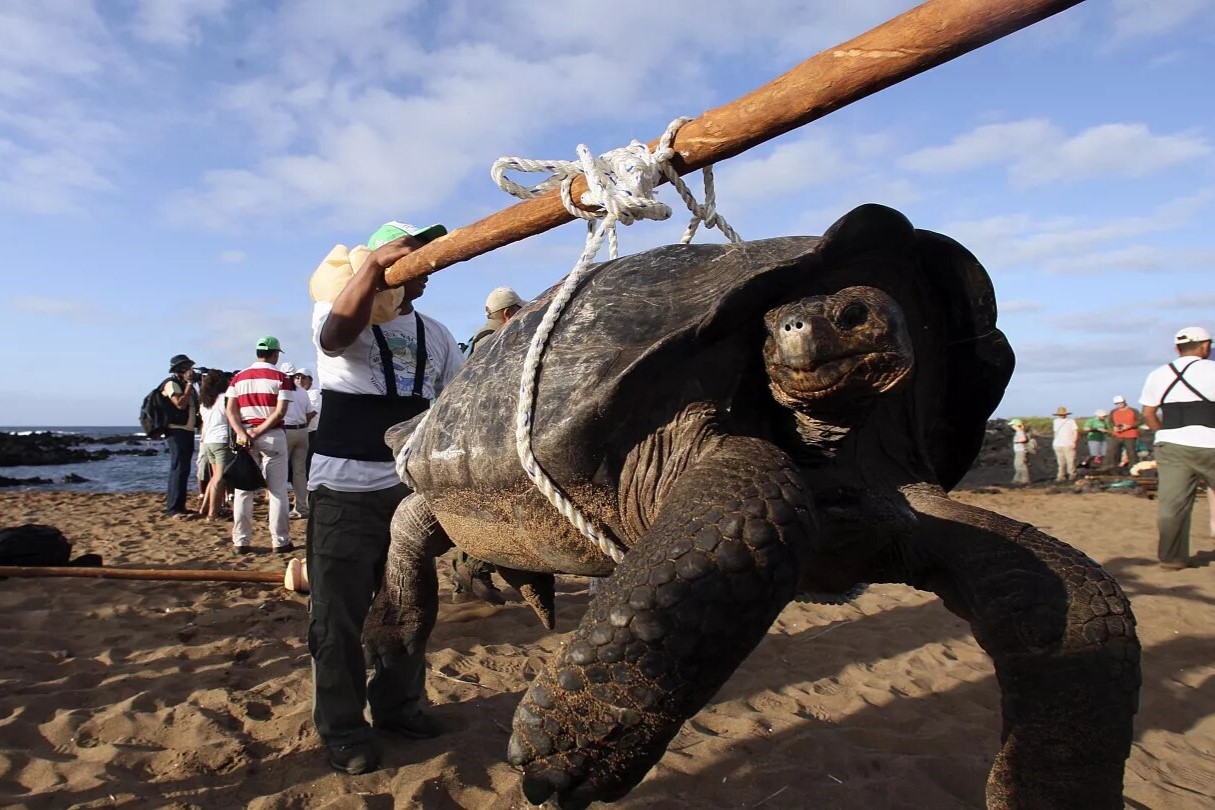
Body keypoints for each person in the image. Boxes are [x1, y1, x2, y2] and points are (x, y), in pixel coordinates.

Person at [307, 221, 464, 776]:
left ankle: (399, 707)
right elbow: (332, 339)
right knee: (338, 618)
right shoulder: (339, 310)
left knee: (405, 609)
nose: (421, 271)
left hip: (407, 493)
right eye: (410, 259)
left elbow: (452, 405)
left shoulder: (439, 335)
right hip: (343, 491)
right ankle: (344, 728)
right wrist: (373, 268)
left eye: (426, 262)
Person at [1138, 326, 1215, 569]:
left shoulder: (1159, 374)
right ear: (1205, 346)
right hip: (1212, 441)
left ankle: (1172, 558)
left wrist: (1161, 431)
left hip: (1172, 444)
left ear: (1176, 348)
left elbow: (1149, 412)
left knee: (1172, 505)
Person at [226, 336, 295, 554]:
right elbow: (280, 411)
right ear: (275, 354)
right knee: (277, 491)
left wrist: (242, 432)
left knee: (243, 491)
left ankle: (241, 540)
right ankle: (280, 540)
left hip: (245, 436)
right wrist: (259, 430)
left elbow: (230, 410)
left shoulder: (238, 378)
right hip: (271, 435)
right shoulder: (281, 377)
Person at [161, 354, 199, 519]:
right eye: (187, 367)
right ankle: (173, 509)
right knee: (178, 468)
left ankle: (180, 506)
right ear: (179, 369)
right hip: (176, 430)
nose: (190, 370)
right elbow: (180, 403)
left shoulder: (185, 384)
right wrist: (190, 384)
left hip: (187, 430)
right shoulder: (171, 384)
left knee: (184, 469)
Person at [279, 363, 317, 519]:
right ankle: (301, 507)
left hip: (286, 431)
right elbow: (309, 413)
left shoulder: (280, 389)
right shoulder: (302, 392)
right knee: (300, 472)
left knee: (279, 472)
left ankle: (279, 509)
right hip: (302, 431)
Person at [197, 370, 233, 520]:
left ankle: (206, 508)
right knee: (220, 477)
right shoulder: (224, 399)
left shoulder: (205, 402)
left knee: (214, 477)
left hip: (208, 441)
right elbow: (231, 416)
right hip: (221, 439)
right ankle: (212, 513)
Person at [467, 286, 526, 355]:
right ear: (507, 313)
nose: (523, 313)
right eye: (520, 309)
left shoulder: (484, 339)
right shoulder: (494, 344)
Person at [1107, 396, 1140, 472]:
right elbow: (1110, 422)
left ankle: (1133, 469)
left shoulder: (1133, 410)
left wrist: (1130, 426)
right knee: (1113, 452)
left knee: (1131, 453)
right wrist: (1113, 427)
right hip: (1116, 435)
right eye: (1117, 403)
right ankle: (1115, 469)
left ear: (1124, 401)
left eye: (1121, 403)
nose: (1119, 404)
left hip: (1130, 435)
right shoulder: (1113, 412)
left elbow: (1140, 420)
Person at [1052, 405, 1078, 482]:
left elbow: (1075, 432)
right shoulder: (1055, 421)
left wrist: (1074, 441)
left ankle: (1072, 475)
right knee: (1061, 462)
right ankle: (1061, 476)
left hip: (1068, 443)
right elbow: (1055, 432)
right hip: (1058, 444)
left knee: (1071, 461)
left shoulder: (1071, 421)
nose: (1061, 415)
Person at [1010, 418, 1031, 485]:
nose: (1012, 426)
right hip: (1018, 451)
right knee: (1017, 465)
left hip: (1020, 451)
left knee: (1020, 465)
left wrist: (1016, 441)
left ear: (1016, 425)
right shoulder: (1019, 431)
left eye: (1012, 425)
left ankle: (1025, 480)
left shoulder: (1020, 431)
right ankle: (1017, 479)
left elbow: (1023, 439)